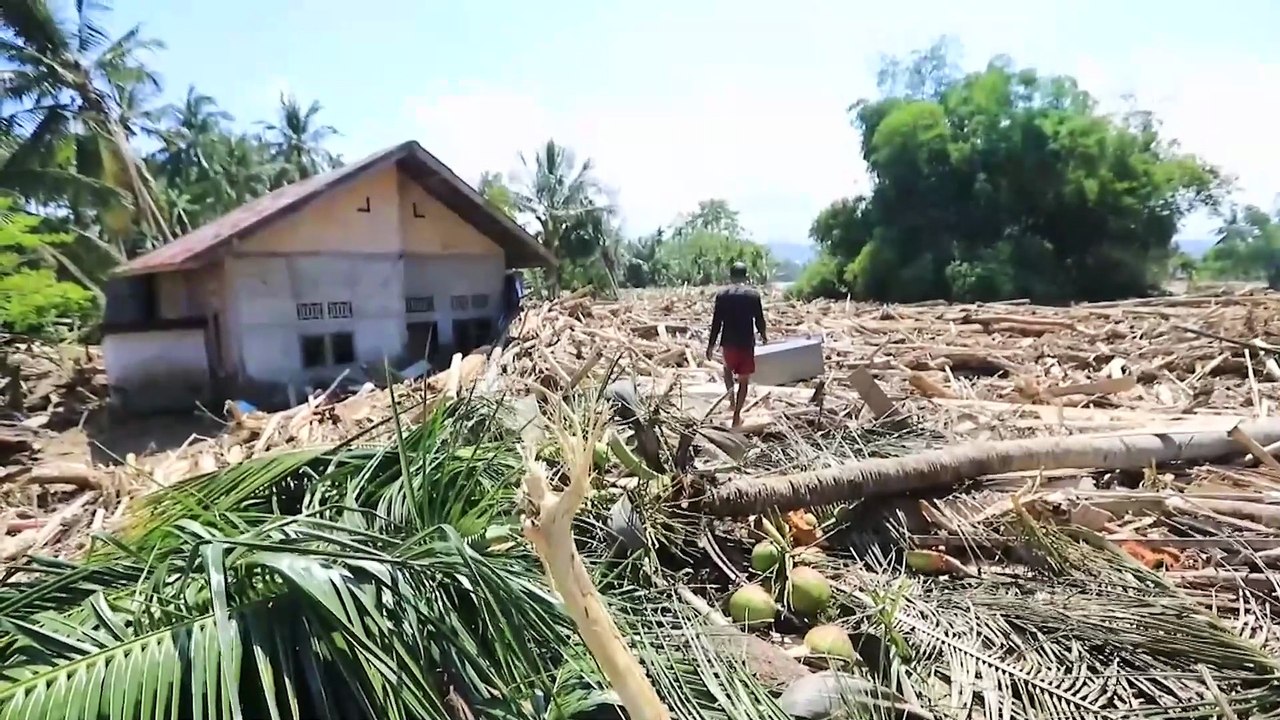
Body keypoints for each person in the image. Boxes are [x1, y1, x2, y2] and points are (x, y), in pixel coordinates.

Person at [705, 262, 767, 427]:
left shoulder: (722, 295)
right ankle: (737, 416)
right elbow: (759, 319)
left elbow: (716, 322)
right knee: (744, 380)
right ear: (746, 276)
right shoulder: (753, 295)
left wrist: (711, 345)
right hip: (746, 343)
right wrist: (764, 335)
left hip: (728, 342)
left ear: (731, 276)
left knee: (727, 370)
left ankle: (731, 402)